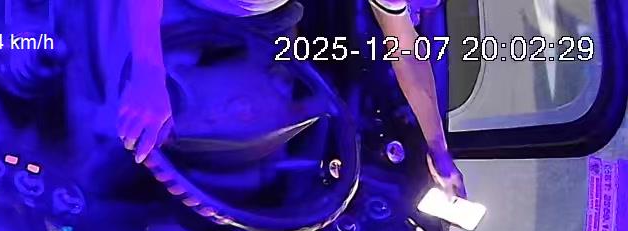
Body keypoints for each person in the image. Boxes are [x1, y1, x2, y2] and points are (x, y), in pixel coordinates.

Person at [117, 0, 467, 198]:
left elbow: (406, 52)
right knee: (127, 118)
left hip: (267, 26)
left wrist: (438, 148)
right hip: (181, 8)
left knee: (256, 153)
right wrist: (147, 70)